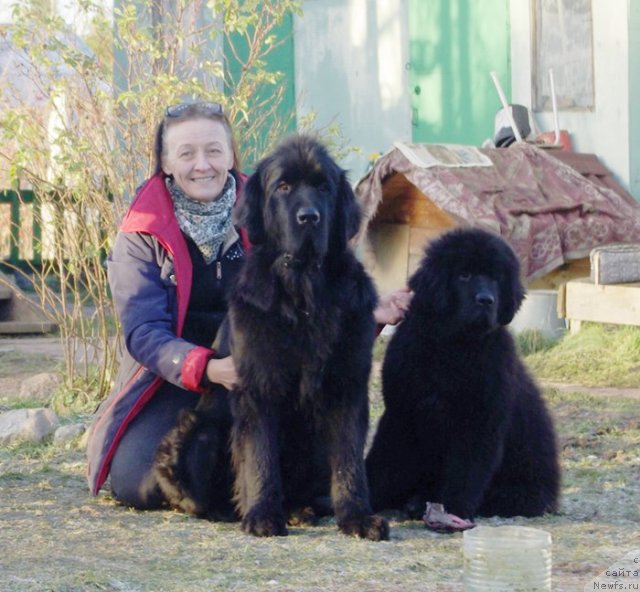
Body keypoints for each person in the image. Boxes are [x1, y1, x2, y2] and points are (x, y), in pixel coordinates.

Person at [85, 101, 413, 513]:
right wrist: (207, 368)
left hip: (262, 364)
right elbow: (142, 331)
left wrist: (365, 314)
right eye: (186, 153)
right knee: (140, 482)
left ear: (229, 155)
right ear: (166, 162)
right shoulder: (142, 230)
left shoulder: (269, 201)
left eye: (213, 151)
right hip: (173, 376)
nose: (201, 164)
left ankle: (282, 491)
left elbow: (313, 290)